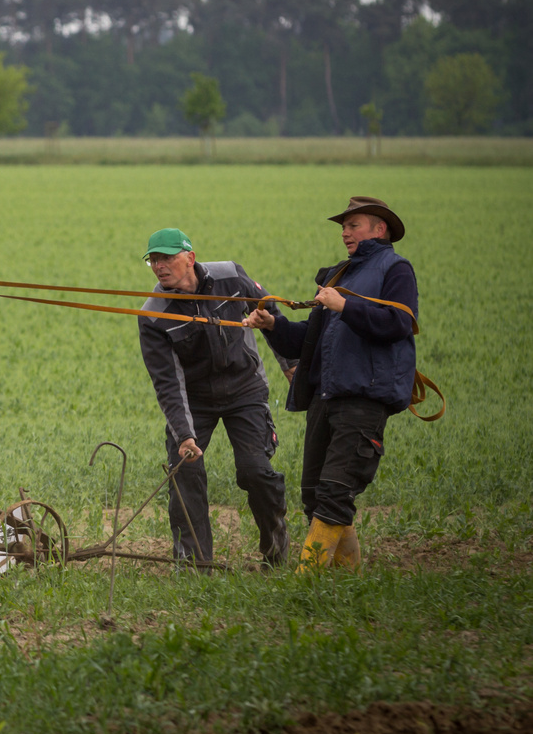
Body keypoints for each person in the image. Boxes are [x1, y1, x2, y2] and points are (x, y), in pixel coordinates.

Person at [242, 196, 417, 572]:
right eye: (343, 226)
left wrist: (345, 306)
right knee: (314, 495)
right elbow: (308, 340)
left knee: (336, 491)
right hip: (326, 395)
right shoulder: (339, 276)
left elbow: (399, 325)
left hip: (364, 397)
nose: (344, 233)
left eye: (353, 225)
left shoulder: (396, 269)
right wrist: (273, 325)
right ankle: (347, 579)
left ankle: (307, 583)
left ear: (379, 228)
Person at [138, 228, 292, 567]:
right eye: (153, 259)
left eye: (167, 258)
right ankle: (195, 566)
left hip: (244, 387)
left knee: (255, 471)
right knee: (185, 474)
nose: (159, 266)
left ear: (190, 258)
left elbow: (269, 314)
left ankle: (276, 551)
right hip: (194, 401)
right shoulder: (153, 314)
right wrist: (184, 434)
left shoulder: (231, 276)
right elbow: (167, 383)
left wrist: (290, 363)